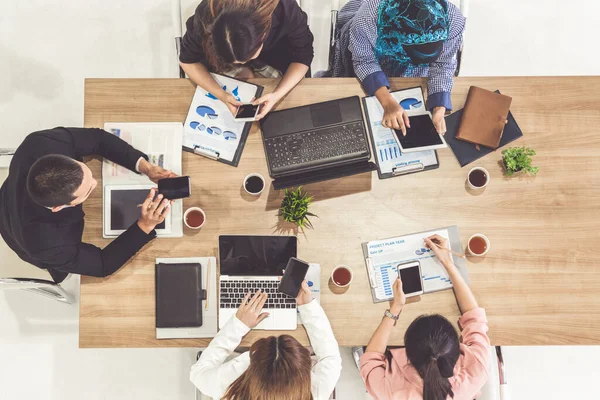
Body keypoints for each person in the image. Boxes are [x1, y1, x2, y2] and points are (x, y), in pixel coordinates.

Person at [0, 127, 176, 283]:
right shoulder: (48, 245)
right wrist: (144, 225)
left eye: (87, 174)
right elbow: (102, 264)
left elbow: (98, 139)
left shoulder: (41, 142)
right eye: (88, 190)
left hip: (13, 189)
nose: (96, 183)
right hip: (15, 230)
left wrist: (146, 167)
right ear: (58, 208)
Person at [360, 234, 490, 400]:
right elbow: (475, 318)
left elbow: (370, 359)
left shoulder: (391, 392)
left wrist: (396, 308)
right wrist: (447, 262)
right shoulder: (475, 370)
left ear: (406, 351)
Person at [329, 0, 466, 135]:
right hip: (371, 49)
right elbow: (364, 60)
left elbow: (442, 64)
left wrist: (439, 108)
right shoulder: (368, 18)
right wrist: (387, 102)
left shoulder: (453, 19)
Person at [190, 281, 342, 400]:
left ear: (252, 367)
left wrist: (238, 325)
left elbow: (198, 373)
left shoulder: (231, 389)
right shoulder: (314, 392)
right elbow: (331, 358)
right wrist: (307, 306)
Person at [179, 0, 314, 120]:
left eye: (247, 59)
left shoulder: (284, 9)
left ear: (264, 35)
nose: (241, 64)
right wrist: (221, 95)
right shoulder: (206, 14)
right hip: (220, 68)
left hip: (276, 60)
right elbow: (187, 60)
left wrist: (276, 96)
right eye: (237, 63)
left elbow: (303, 57)